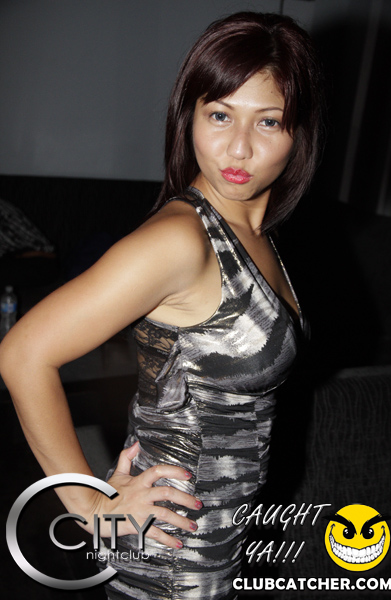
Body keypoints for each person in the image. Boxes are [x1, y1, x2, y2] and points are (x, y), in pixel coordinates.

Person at [0, 11, 325, 600]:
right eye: (220, 115)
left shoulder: (254, 230)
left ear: (298, 131)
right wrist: (91, 508)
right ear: (189, 116)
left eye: (268, 121)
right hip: (173, 556)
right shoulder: (180, 240)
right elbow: (23, 353)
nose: (239, 147)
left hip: (224, 539)